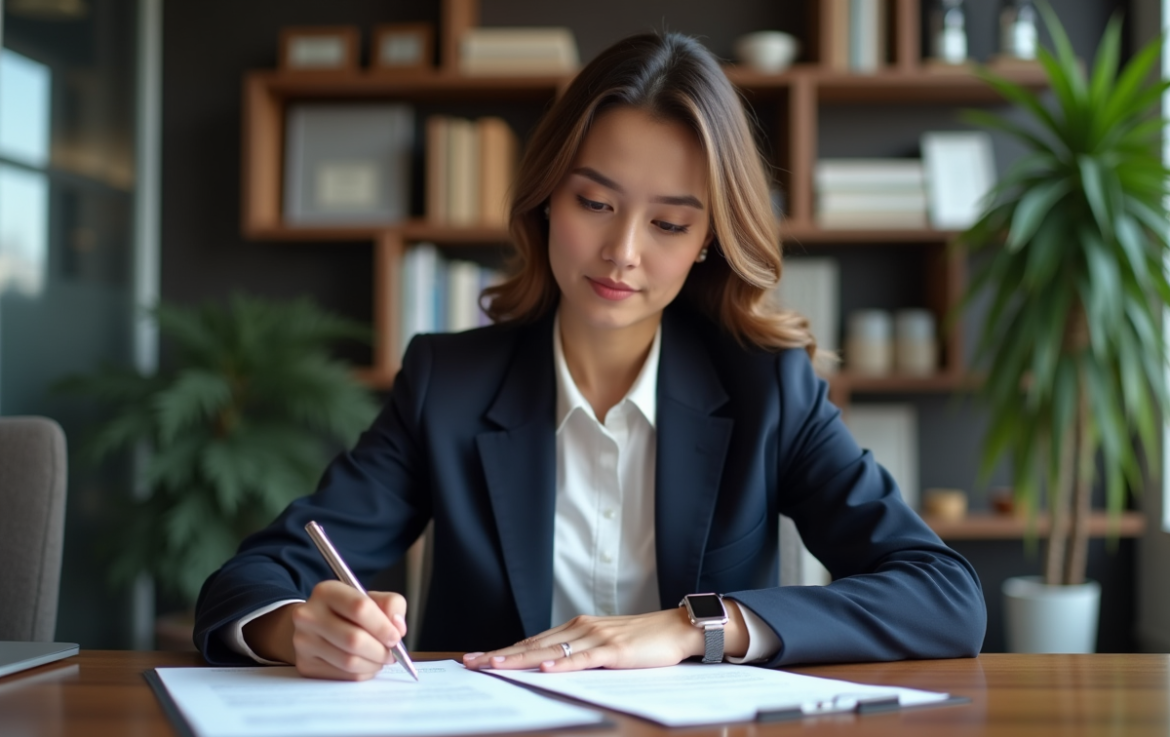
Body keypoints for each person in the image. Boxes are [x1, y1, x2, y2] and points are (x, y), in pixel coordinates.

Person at [194, 31, 986, 680]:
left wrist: (693, 627)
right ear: (546, 199)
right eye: (595, 203)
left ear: (710, 240)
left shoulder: (766, 388)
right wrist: (298, 629)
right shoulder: (450, 384)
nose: (621, 253)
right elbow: (251, 583)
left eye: (670, 225)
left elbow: (944, 596)